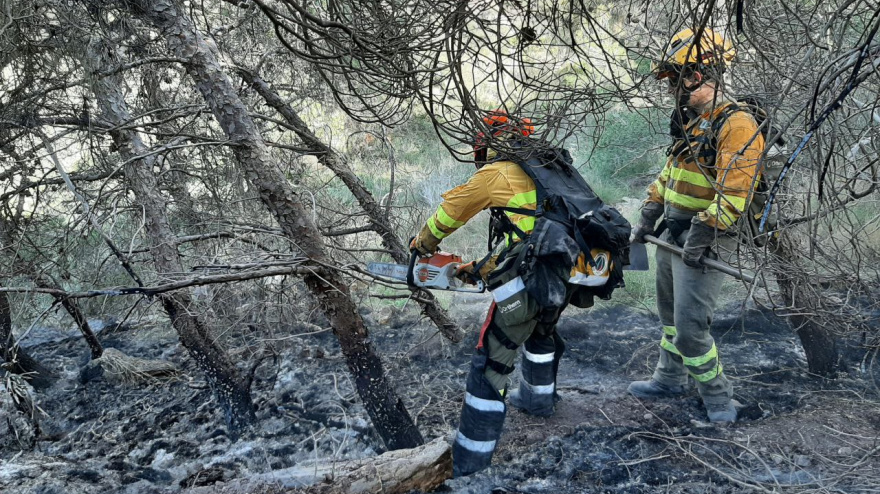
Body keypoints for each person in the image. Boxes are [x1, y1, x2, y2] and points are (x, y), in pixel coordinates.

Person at [410, 111, 606, 477]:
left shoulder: (497, 172)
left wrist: (423, 243)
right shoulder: (550, 166)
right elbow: (530, 231)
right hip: (571, 270)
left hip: (539, 273)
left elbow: (452, 212)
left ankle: (470, 462)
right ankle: (537, 401)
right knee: (542, 331)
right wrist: (479, 269)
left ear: (486, 141)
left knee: (493, 357)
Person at [628, 28, 765, 423]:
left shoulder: (737, 124)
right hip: (674, 234)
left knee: (690, 330)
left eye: (677, 77)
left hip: (704, 241)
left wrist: (703, 234)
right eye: (671, 77)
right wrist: (650, 212)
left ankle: (720, 401)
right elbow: (670, 172)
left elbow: (735, 194)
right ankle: (668, 379)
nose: (672, 86)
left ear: (703, 73)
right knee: (670, 319)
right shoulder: (693, 121)